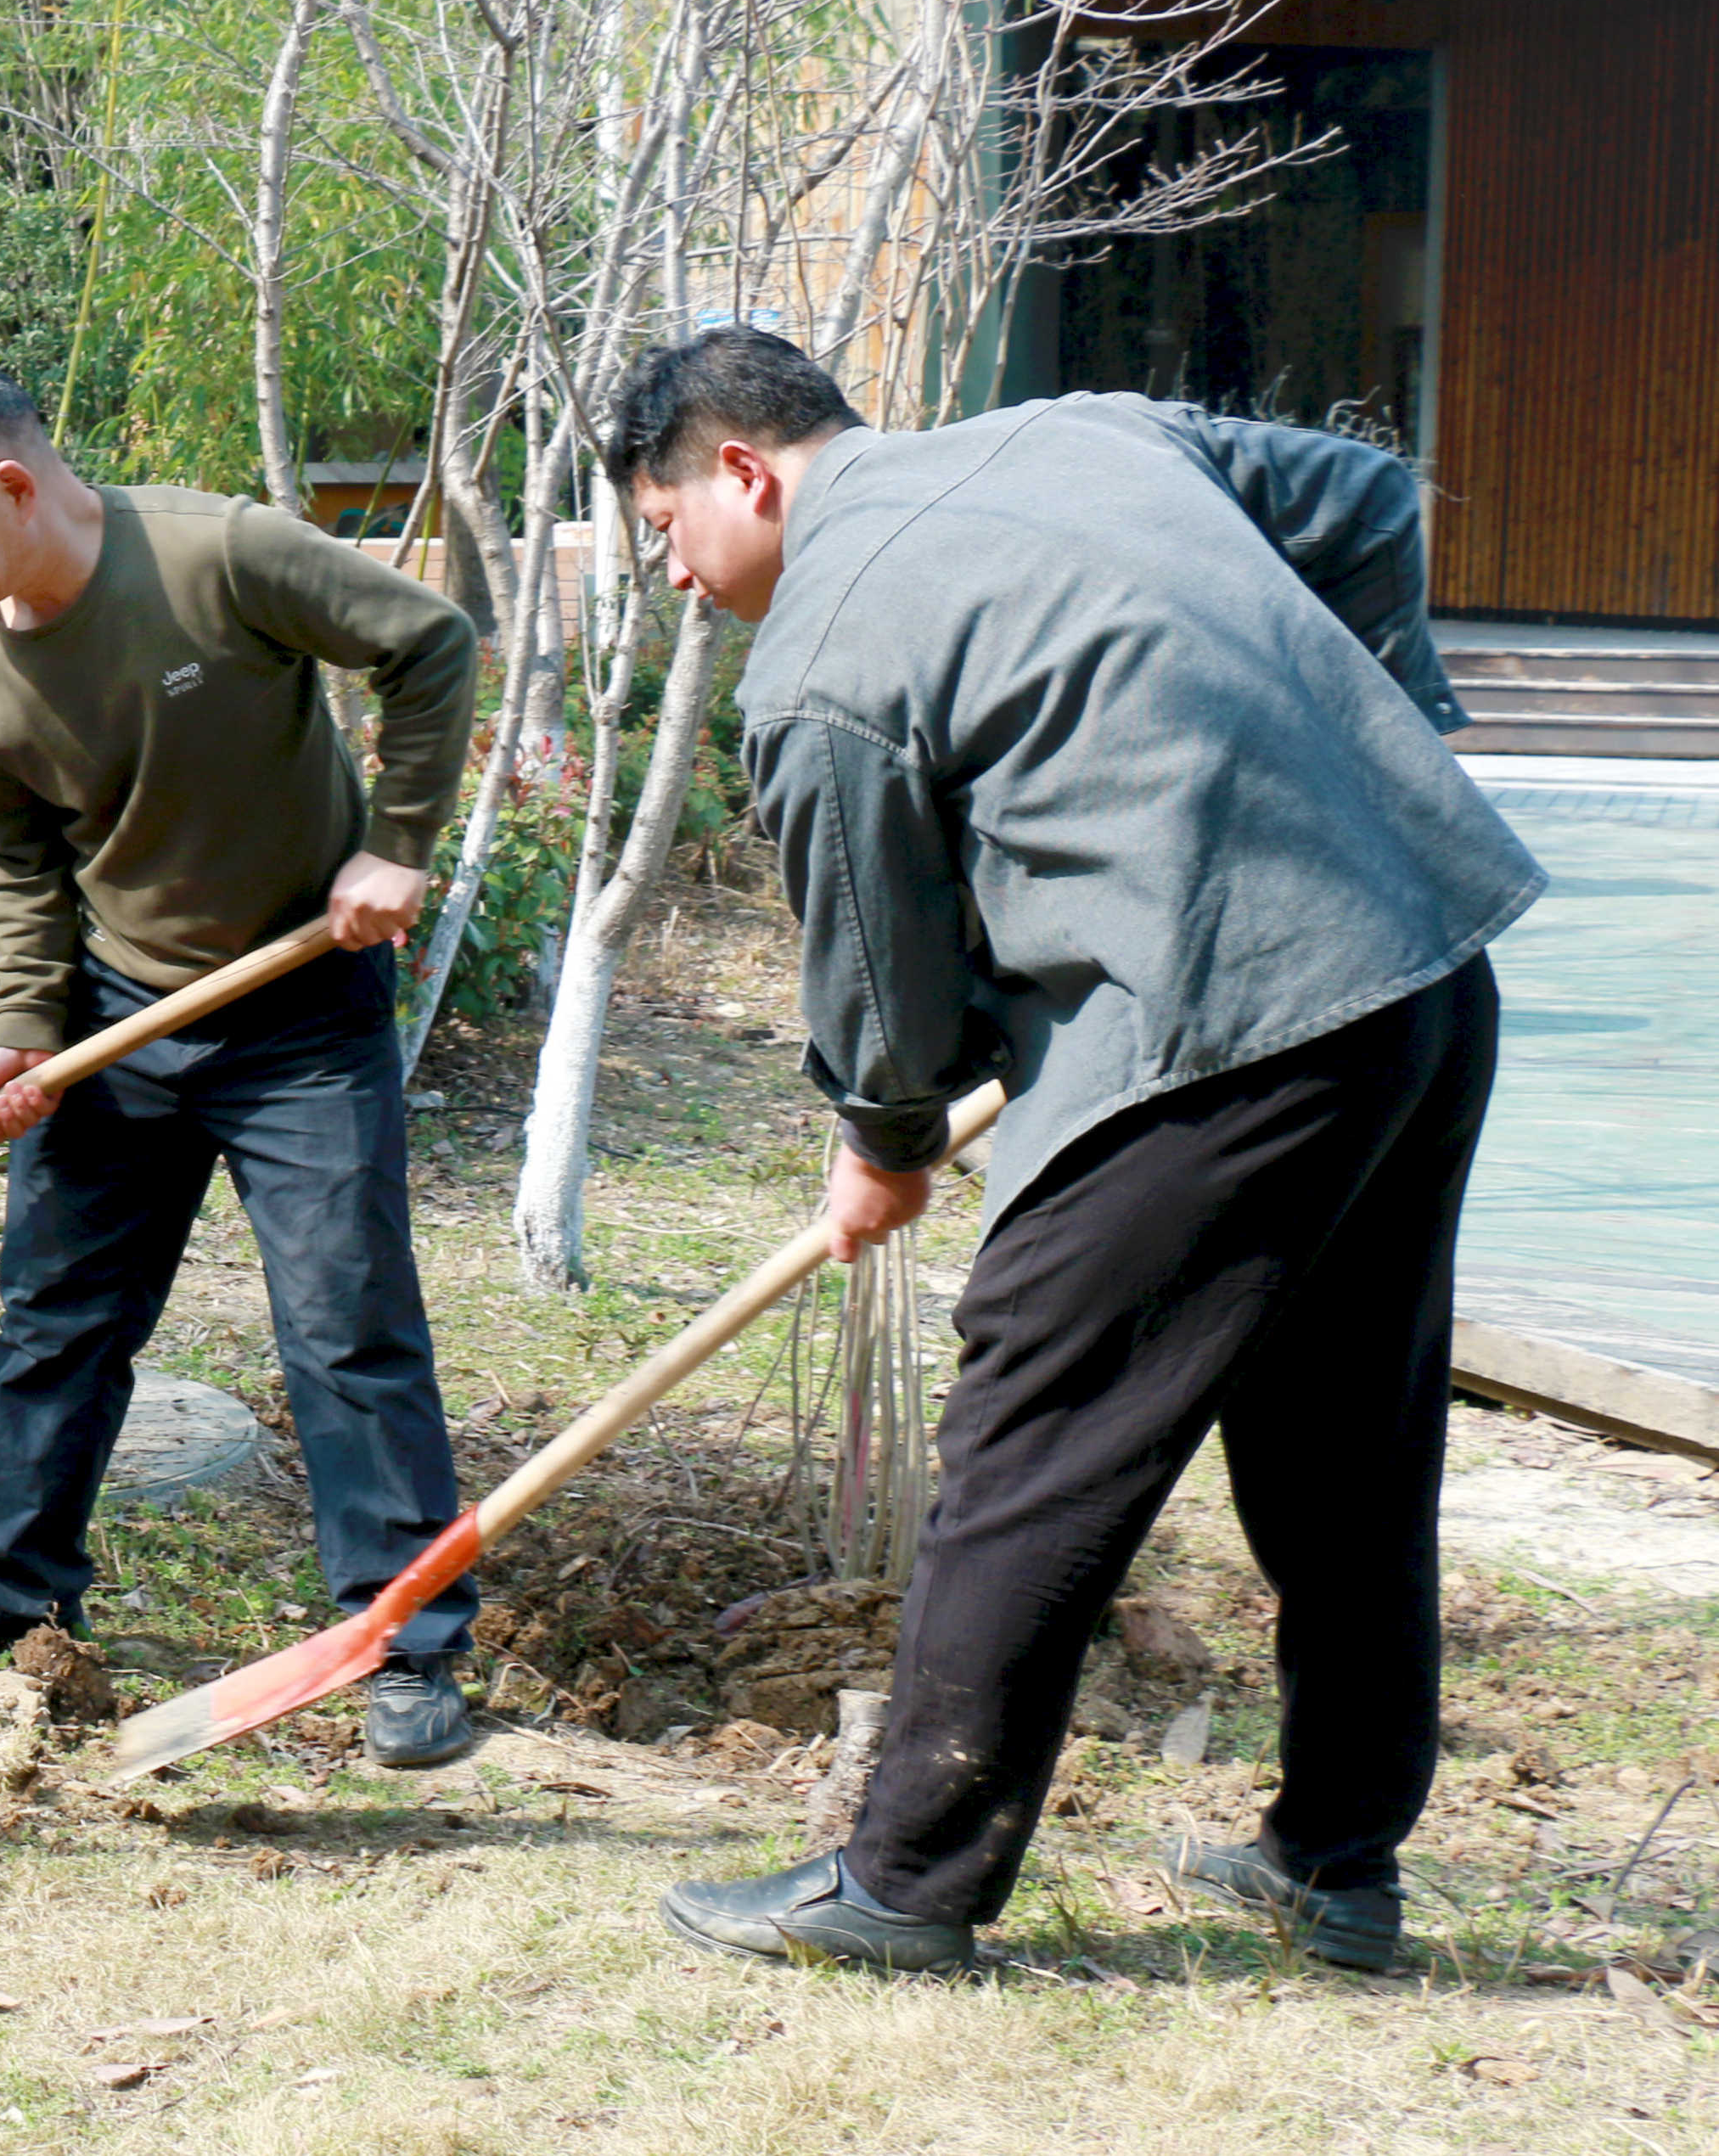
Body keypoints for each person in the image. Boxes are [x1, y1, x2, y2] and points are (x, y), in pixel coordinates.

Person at [614, 328, 1542, 1974]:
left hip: (1228, 1017)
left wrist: (880, 1139)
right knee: (1350, 1445)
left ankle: (903, 1883)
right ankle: (1338, 1864)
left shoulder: (819, 654)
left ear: (743, 473)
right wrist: (1375, 726)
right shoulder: (1083, 435)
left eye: (666, 531)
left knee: (1033, 1425)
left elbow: (879, 980)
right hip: (1421, 969)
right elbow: (1367, 498)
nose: (678, 579)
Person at [0, 354, 491, 1768]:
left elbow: (427, 642)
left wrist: (397, 845)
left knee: (344, 1321)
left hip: (301, 1009)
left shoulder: (221, 556)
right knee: (56, 1317)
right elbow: (18, 862)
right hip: (115, 1019)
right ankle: (6, 1599)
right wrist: (28, 1030)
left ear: (11, 487)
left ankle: (407, 1643)